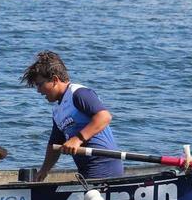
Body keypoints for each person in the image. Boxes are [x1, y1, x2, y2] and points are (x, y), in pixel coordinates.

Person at [21, 51, 124, 181]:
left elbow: (104, 117)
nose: (38, 90)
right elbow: (54, 144)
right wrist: (44, 170)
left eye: (40, 84)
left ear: (54, 80)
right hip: (86, 170)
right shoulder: (57, 111)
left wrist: (77, 139)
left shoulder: (79, 93)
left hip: (104, 166)